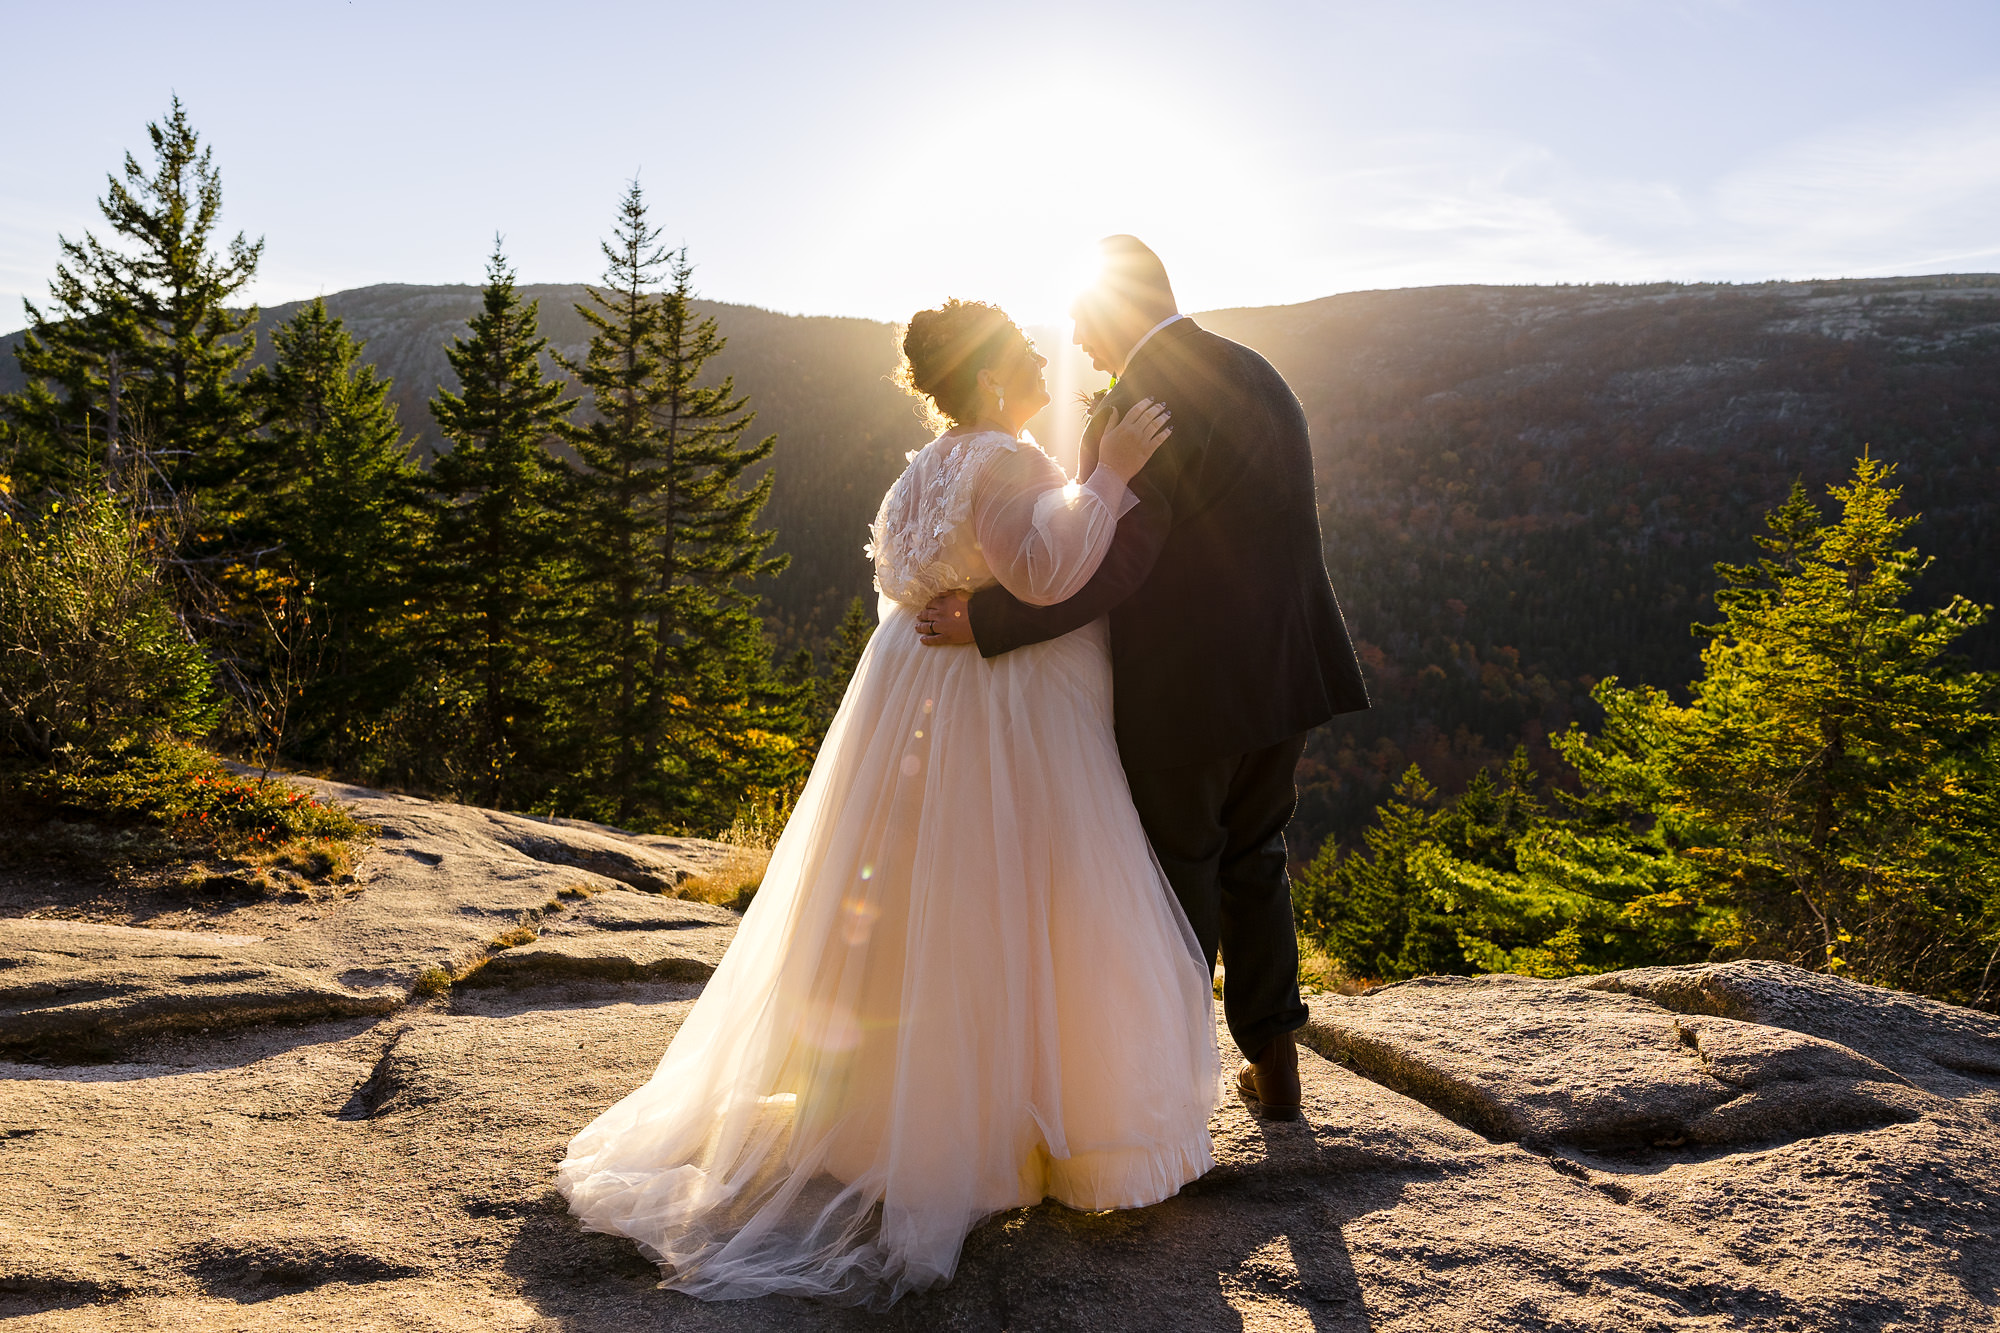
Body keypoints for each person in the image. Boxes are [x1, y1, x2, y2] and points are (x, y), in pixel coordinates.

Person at [557, 299, 1219, 1307]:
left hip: (914, 701)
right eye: (1025, 353)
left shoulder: (923, 469)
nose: (1047, 359)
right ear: (992, 380)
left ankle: (880, 1117)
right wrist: (1112, 471)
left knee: (921, 903)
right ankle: (1000, 1140)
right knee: (1017, 895)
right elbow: (1044, 574)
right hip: (1001, 712)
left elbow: (905, 588)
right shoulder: (1005, 459)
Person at [918, 236, 1369, 1121]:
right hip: (1284, 670)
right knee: (1257, 856)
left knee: (1178, 876)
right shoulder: (1258, 371)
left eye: (1085, 316)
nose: (1077, 338)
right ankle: (1276, 1072)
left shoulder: (1142, 404)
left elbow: (1114, 565)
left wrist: (991, 622)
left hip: (1187, 686)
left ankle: (1168, 1097)